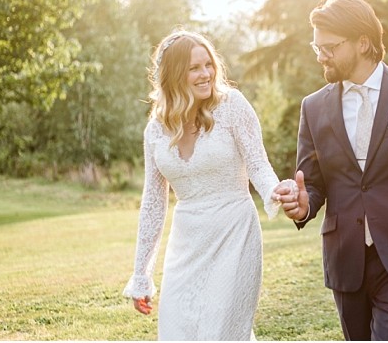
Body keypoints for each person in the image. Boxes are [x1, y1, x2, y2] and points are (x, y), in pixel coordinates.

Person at [273, 0, 388, 340]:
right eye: (317, 48)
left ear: (363, 42)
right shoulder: (313, 107)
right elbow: (312, 185)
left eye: (329, 47)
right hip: (345, 260)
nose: (321, 56)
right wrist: (302, 206)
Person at [123, 30, 296, 340]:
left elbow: (257, 163)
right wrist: (141, 275)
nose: (205, 74)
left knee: (221, 333)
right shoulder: (156, 130)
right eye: (194, 68)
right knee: (178, 332)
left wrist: (274, 190)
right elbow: (152, 202)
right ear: (174, 75)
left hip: (235, 234)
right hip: (186, 243)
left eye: (208, 65)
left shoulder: (232, 105)